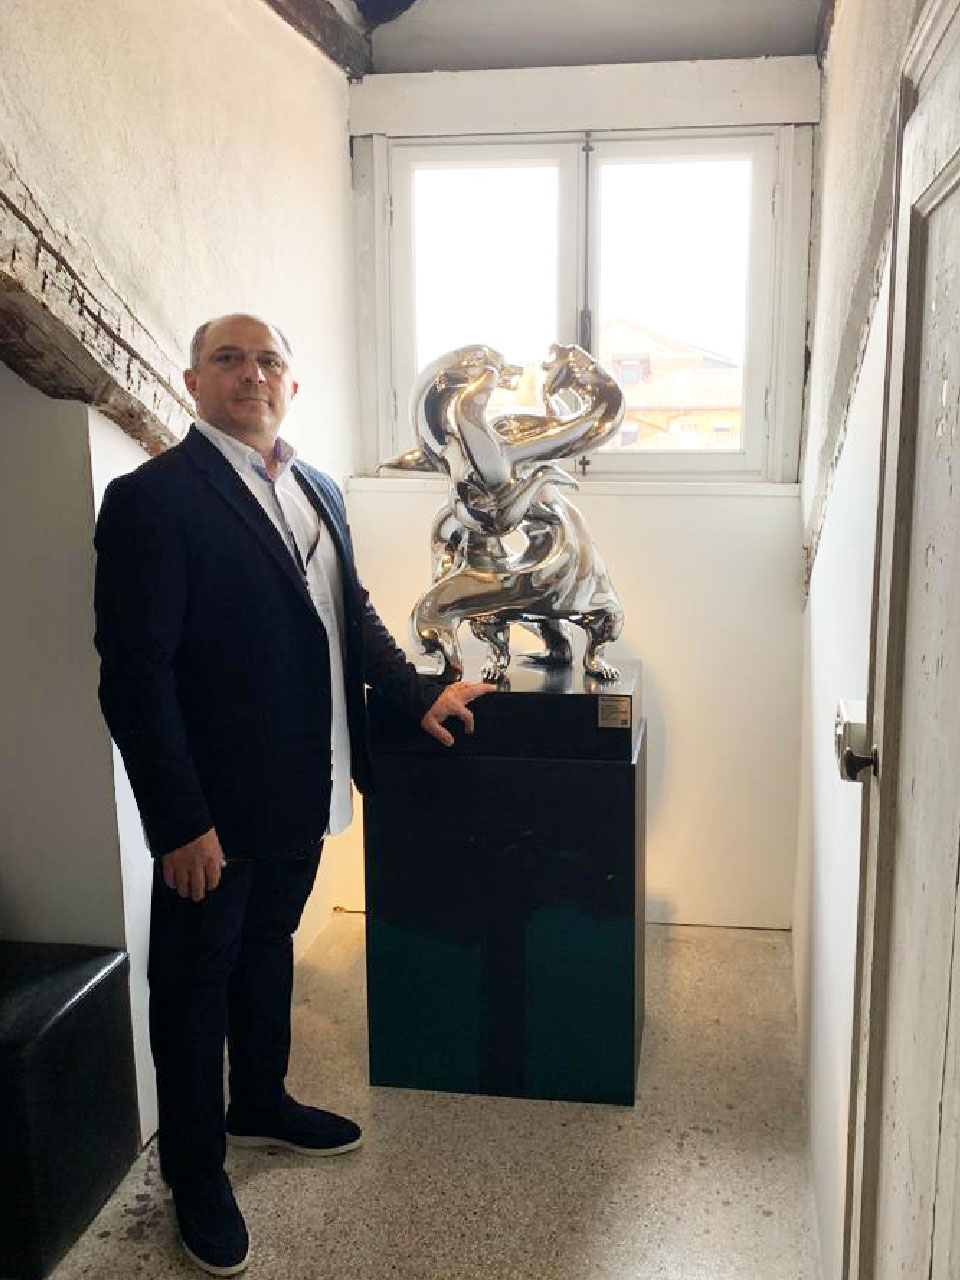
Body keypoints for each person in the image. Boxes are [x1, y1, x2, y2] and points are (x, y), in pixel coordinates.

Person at [93, 313, 493, 1277]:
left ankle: (260, 1103)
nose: (252, 374)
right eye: (228, 359)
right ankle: (195, 1174)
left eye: (268, 360)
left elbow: (347, 611)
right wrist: (179, 821)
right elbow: (134, 677)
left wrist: (416, 693)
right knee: (192, 986)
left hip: (302, 786)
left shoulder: (315, 488)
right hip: (213, 813)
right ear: (192, 382)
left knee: (266, 948)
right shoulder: (153, 499)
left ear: (291, 385)